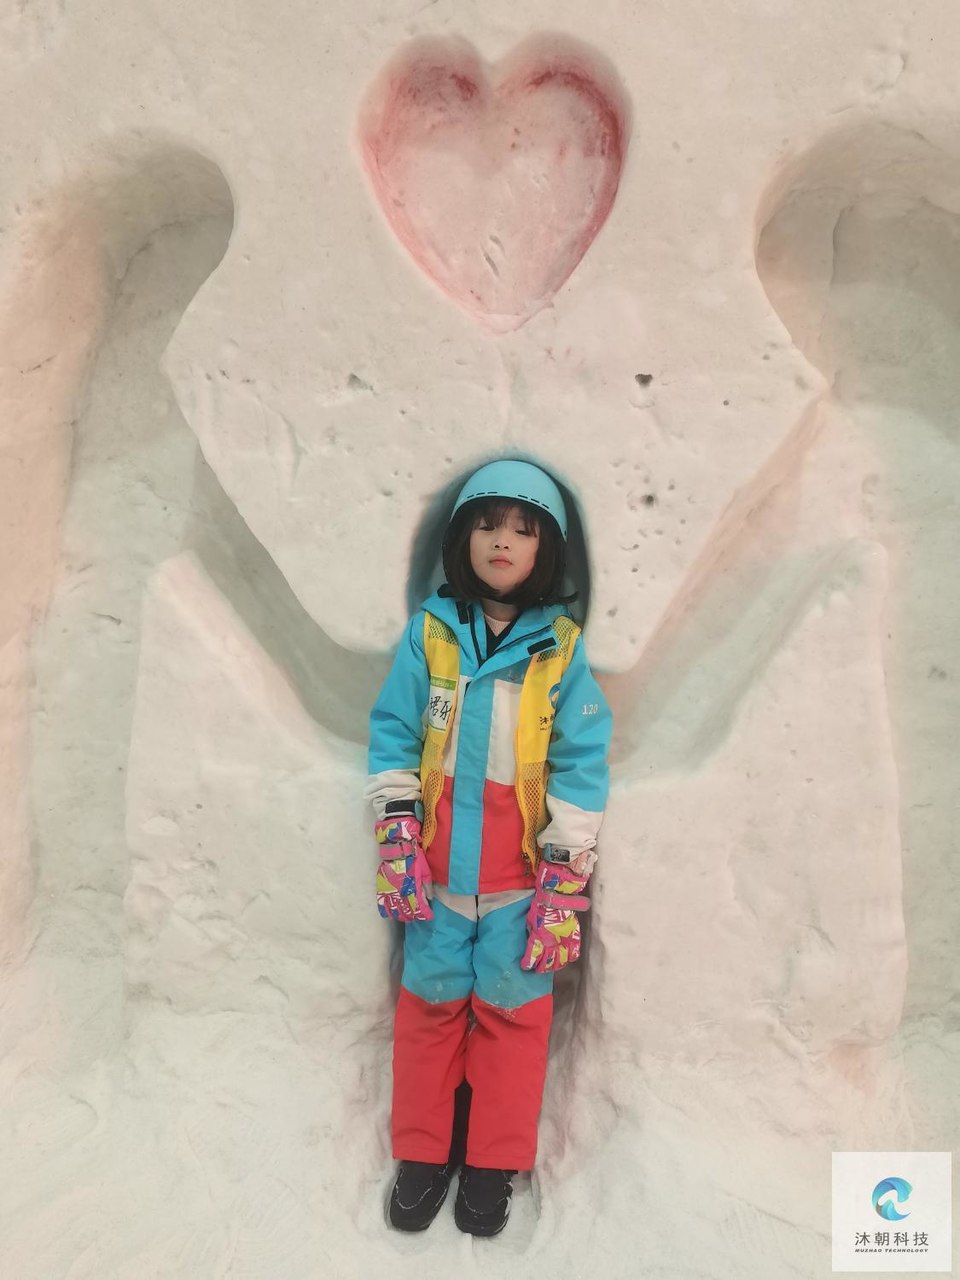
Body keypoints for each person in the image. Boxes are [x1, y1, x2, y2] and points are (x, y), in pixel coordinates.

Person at [364, 458, 612, 1237]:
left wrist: (564, 874)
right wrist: (398, 831)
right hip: (436, 881)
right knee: (429, 1011)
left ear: (547, 551)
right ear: (461, 538)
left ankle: (493, 1160)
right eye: (487, 525)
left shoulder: (559, 650)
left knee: (513, 1017)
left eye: (523, 531)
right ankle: (422, 1153)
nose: (502, 542)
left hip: (518, 885)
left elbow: (581, 760)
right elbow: (394, 731)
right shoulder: (431, 635)